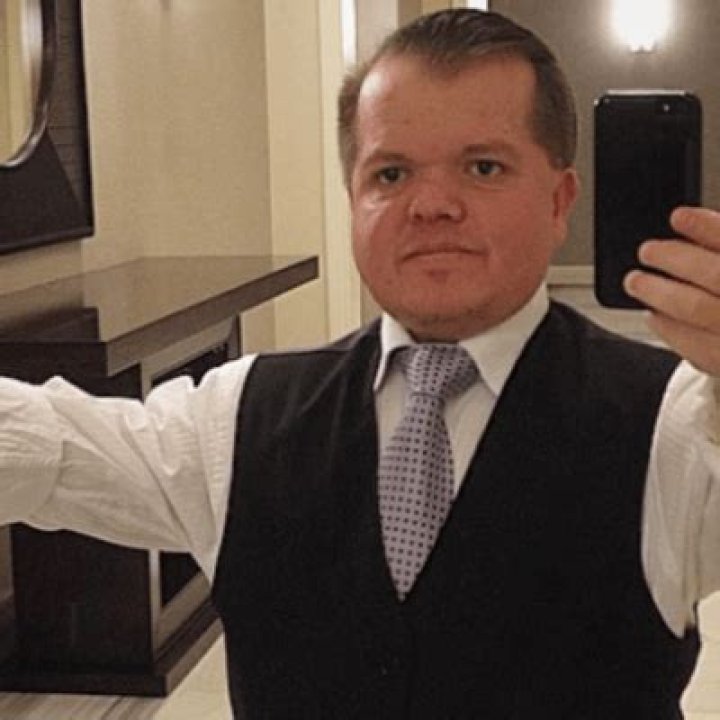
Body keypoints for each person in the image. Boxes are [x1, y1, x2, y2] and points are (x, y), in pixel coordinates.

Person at [2, 8, 720, 718]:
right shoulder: (240, 419)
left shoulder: (675, 426)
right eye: (391, 173)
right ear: (353, 199)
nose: (431, 205)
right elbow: (49, 448)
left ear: (559, 201)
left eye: (483, 167)